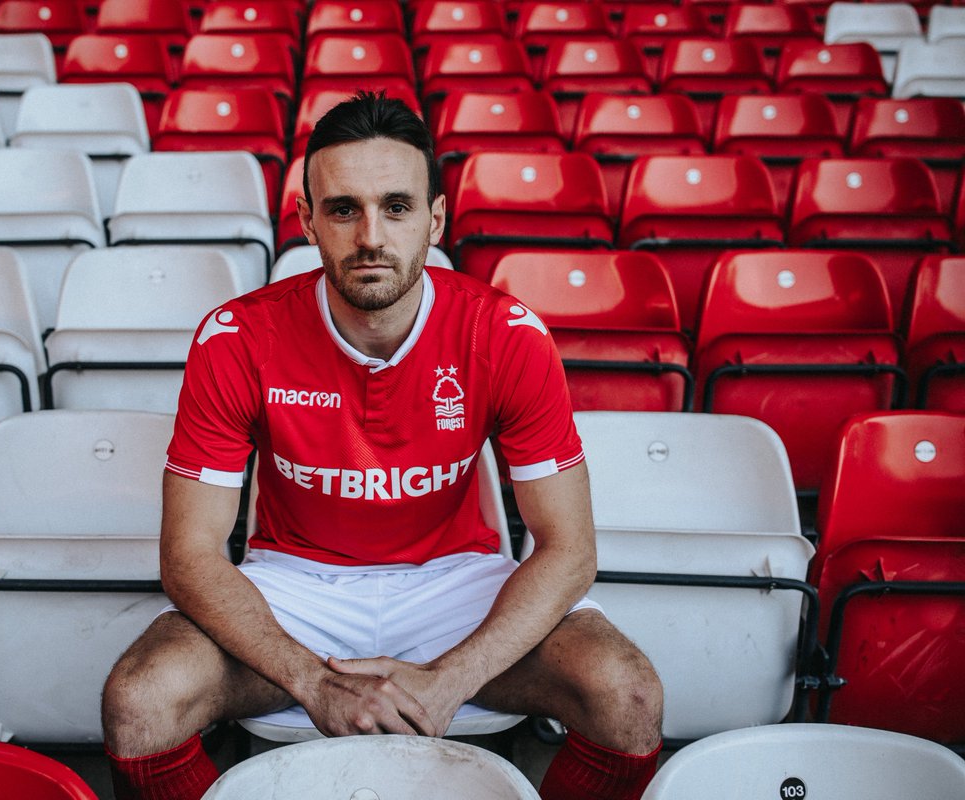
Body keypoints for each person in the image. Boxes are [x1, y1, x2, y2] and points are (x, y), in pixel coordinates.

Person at [101, 91, 663, 800]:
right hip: (295, 586)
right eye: (344, 209)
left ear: (435, 218)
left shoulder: (506, 334)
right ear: (307, 220)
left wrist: (451, 680)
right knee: (140, 700)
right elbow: (188, 555)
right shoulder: (236, 337)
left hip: (455, 583)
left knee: (627, 693)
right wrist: (312, 681)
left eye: (396, 207)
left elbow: (570, 548)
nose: (371, 235)